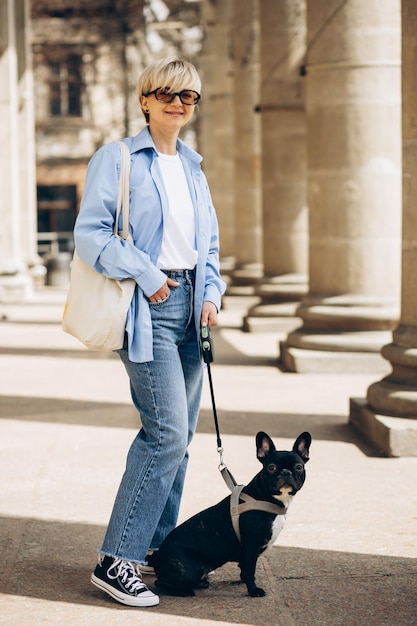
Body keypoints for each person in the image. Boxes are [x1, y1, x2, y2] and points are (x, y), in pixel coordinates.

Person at [74, 57, 226, 607]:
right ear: (145, 100)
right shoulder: (117, 160)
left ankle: (157, 551)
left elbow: (207, 245)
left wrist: (211, 292)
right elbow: (90, 235)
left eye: (189, 97)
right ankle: (116, 560)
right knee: (164, 434)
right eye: (167, 93)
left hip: (191, 309)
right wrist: (148, 274)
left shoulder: (192, 167)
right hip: (148, 307)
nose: (178, 103)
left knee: (180, 440)